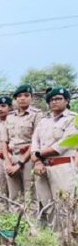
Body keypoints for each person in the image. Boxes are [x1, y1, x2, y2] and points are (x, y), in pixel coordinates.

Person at [31, 87, 77, 226]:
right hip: (43, 167)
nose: (54, 102)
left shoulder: (73, 119)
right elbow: (34, 142)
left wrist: (37, 154)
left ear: (67, 100)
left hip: (62, 167)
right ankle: (56, 241)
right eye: (51, 99)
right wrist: (37, 161)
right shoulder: (43, 121)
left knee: (64, 206)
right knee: (48, 205)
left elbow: (61, 147)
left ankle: (68, 242)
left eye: (58, 99)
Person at [1, 85, 43, 202]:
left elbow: (36, 141)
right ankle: (15, 220)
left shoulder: (37, 115)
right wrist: (8, 163)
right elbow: (4, 141)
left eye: (26, 95)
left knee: (30, 194)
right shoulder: (9, 117)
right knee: (14, 195)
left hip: (29, 158)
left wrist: (19, 164)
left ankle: (30, 220)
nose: (22, 98)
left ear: (31, 97)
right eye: (19, 96)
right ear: (15, 99)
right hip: (11, 156)